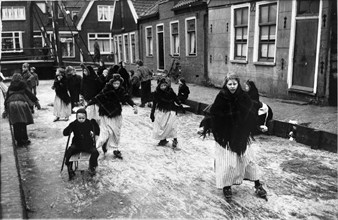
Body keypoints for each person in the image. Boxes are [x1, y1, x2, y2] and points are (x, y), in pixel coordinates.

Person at [200, 73, 267, 200]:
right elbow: (213, 114)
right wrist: (205, 126)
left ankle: (257, 184)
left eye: (234, 84)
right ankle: (227, 187)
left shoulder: (244, 97)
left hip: (240, 134)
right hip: (225, 136)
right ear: (226, 84)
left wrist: (258, 126)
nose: (232, 86)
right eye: (229, 84)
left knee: (248, 160)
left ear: (238, 84)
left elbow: (251, 114)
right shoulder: (221, 97)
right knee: (227, 163)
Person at [85, 74, 138, 159]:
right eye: (115, 83)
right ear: (112, 83)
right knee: (106, 132)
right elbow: (98, 97)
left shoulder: (121, 90)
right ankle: (96, 147)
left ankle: (115, 149)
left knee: (116, 132)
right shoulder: (107, 89)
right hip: (106, 113)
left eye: (118, 83)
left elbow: (127, 98)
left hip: (116, 113)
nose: (116, 85)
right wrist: (88, 103)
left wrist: (134, 105)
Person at [5, 73, 41, 147]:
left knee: (15, 122)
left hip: (11, 104)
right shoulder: (22, 84)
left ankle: (18, 140)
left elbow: (7, 97)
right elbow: (29, 93)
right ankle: (24, 139)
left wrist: (5, 108)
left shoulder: (11, 86)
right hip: (21, 103)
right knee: (22, 122)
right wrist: (36, 102)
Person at [63, 108, 100, 179]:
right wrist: (69, 129)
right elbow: (65, 133)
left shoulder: (89, 123)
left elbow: (97, 131)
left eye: (83, 118)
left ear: (86, 117)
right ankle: (69, 168)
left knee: (95, 152)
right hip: (77, 144)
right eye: (79, 118)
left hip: (87, 144)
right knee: (69, 151)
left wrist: (94, 124)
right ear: (76, 117)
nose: (81, 119)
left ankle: (92, 166)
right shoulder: (74, 124)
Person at [150, 77, 182, 148]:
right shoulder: (157, 93)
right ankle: (163, 139)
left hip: (170, 110)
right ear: (159, 86)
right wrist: (152, 113)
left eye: (164, 85)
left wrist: (179, 103)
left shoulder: (170, 91)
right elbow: (154, 103)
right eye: (161, 86)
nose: (163, 87)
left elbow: (175, 98)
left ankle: (175, 139)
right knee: (161, 127)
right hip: (161, 111)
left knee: (172, 126)